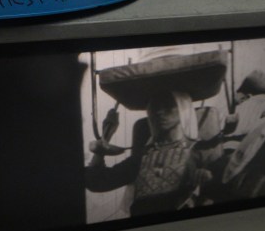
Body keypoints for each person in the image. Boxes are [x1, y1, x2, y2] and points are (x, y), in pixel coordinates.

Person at [85, 90, 213, 216]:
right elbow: (97, 182)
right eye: (154, 107)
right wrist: (104, 141)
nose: (159, 112)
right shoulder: (143, 158)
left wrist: (206, 178)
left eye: (168, 106)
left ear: (183, 108)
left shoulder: (199, 150)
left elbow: (219, 188)